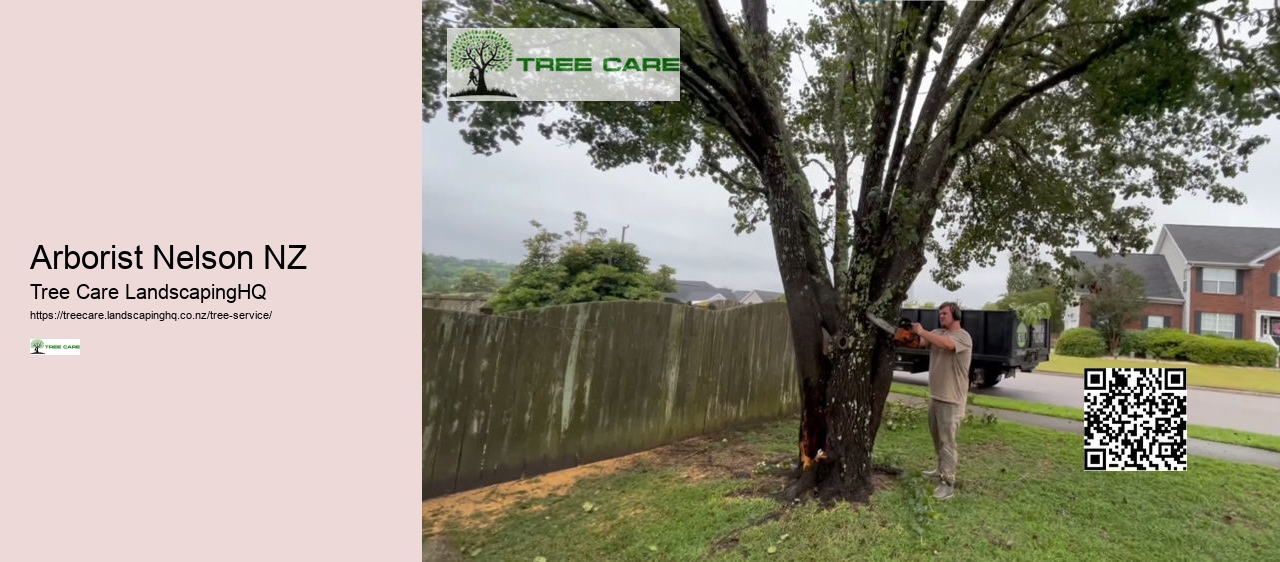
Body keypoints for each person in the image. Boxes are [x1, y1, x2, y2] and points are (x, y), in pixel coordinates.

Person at [911, 302, 973, 500]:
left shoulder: (962, 337)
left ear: (956, 315)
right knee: (938, 439)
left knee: (947, 443)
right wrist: (909, 334)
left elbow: (947, 345)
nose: (941, 316)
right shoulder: (938, 332)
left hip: (951, 400)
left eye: (945, 313)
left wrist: (923, 330)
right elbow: (922, 343)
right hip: (936, 396)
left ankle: (947, 484)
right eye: (939, 314)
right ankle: (940, 470)